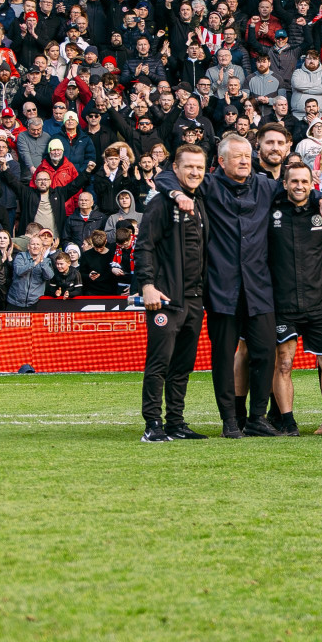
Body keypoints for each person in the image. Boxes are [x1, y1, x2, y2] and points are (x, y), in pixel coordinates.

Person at [163, 134, 280, 439]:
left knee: (265, 353)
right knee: (224, 357)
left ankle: (257, 418)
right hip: (221, 288)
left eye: (247, 155)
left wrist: (321, 199)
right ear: (222, 161)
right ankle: (229, 420)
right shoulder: (209, 184)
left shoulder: (266, 186)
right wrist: (177, 194)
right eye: (237, 156)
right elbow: (165, 176)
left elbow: (299, 189)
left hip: (259, 287)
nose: (244, 161)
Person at [267, 160, 322, 436]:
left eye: (305, 181)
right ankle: (288, 422)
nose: (299, 186)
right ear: (285, 184)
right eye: (294, 181)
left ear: (312, 185)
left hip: (320, 303)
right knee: (284, 363)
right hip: (283, 303)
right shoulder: (271, 211)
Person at [138, 144, 210, 443]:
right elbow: (144, 246)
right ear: (176, 169)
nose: (194, 172)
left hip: (194, 299)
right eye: (188, 166)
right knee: (159, 363)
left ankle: (175, 423)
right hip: (166, 298)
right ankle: (152, 424)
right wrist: (147, 285)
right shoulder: (161, 203)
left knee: (182, 366)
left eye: (199, 167)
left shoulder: (201, 201)